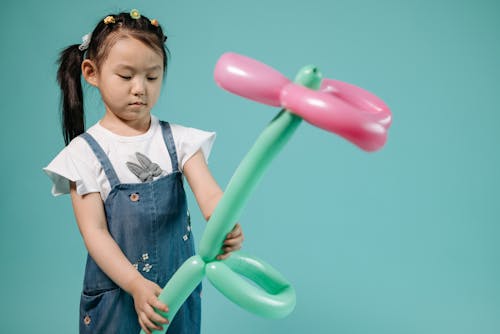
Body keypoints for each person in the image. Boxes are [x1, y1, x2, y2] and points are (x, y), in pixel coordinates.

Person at [44, 9, 244, 334]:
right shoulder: (83, 155)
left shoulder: (179, 141)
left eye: (152, 77)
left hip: (174, 294)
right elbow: (94, 234)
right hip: (118, 296)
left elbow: (210, 195)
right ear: (91, 72)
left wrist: (225, 226)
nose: (140, 88)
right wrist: (136, 285)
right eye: (126, 76)